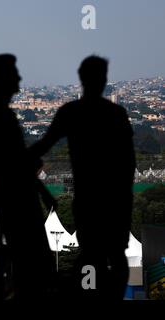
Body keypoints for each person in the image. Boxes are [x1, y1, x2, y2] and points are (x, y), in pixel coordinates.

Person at [29, 56, 136, 299]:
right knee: (117, 257)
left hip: (87, 198)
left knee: (91, 254)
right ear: (104, 80)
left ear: (81, 78)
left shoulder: (71, 112)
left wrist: (15, 159)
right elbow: (129, 162)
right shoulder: (116, 113)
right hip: (116, 199)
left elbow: (43, 144)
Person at [0, 54, 54, 298]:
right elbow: (12, 163)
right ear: (1, 78)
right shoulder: (0, 115)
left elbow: (8, 162)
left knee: (29, 265)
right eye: (14, 72)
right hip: (18, 201)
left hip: (15, 199)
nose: (19, 77)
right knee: (33, 265)